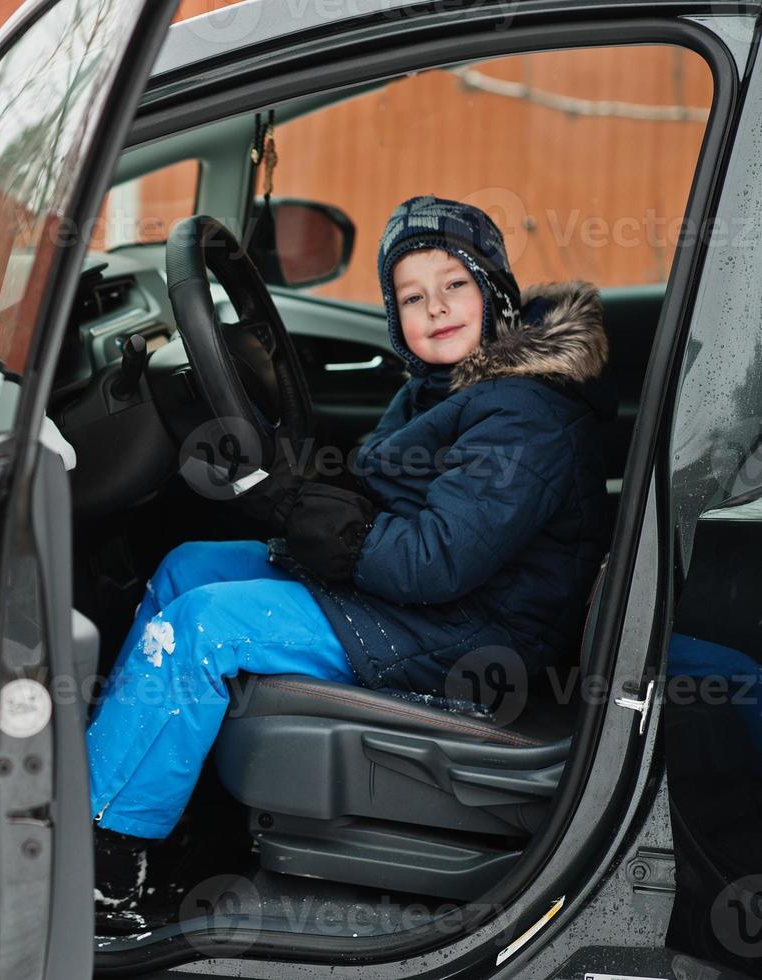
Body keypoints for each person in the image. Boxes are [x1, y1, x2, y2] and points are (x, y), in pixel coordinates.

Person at [88, 194, 615, 922]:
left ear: (492, 290)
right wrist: (296, 492)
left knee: (204, 626)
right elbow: (386, 500)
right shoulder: (436, 391)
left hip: (474, 634)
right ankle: (161, 805)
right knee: (188, 567)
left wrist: (301, 512)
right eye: (410, 295)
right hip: (431, 601)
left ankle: (104, 861)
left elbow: (433, 560)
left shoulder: (523, 416)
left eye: (453, 284)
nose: (434, 307)